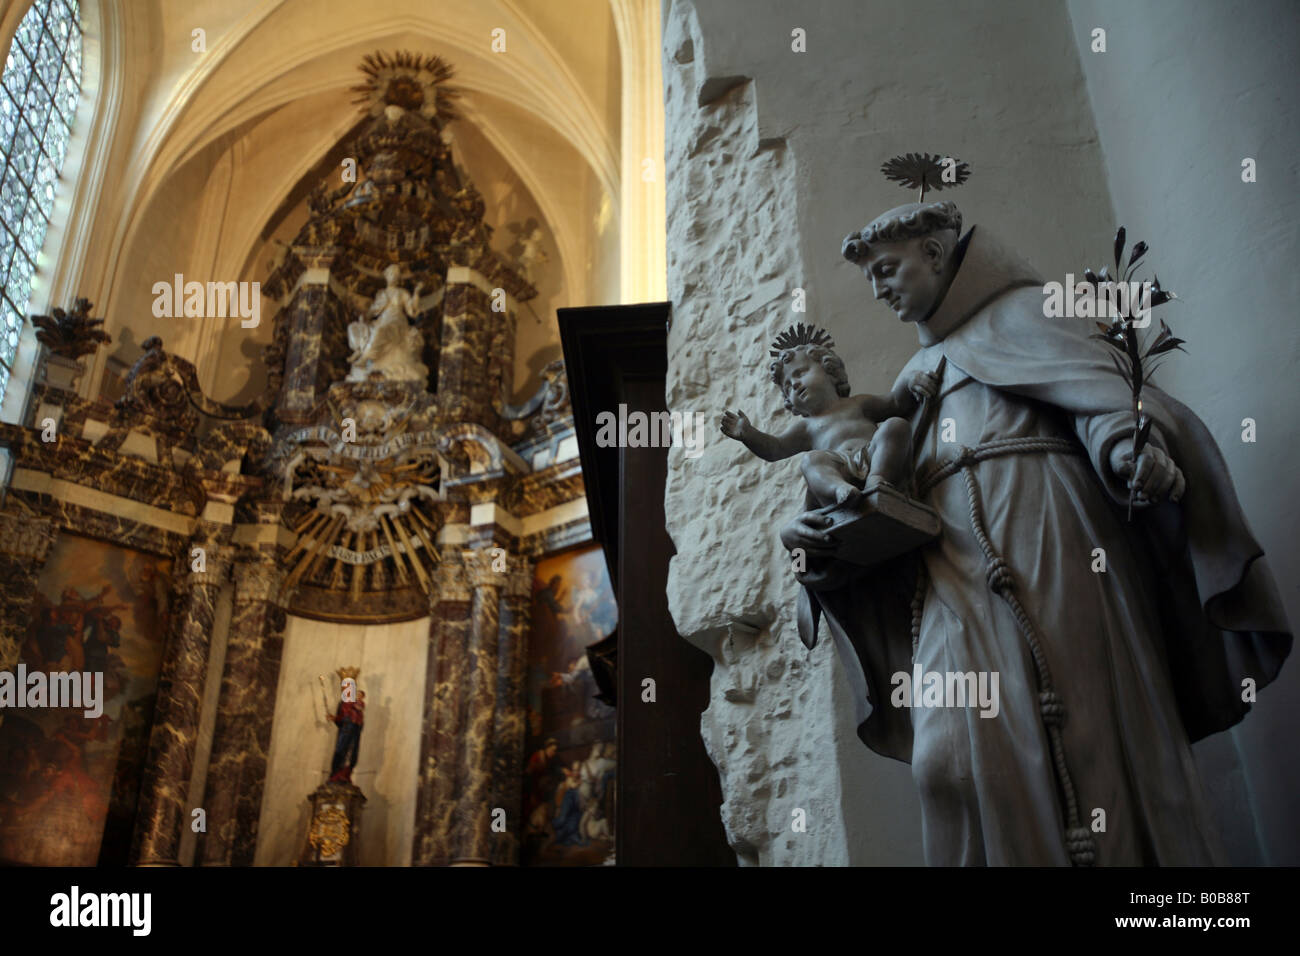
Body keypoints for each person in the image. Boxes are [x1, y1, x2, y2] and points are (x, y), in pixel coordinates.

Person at [779, 199, 1291, 865]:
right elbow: (878, 478)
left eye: (887, 269)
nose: (878, 290)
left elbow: (1098, 397)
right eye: (870, 278)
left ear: (934, 255)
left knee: (1088, 718)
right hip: (950, 566)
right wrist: (823, 529)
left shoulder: (1030, 314)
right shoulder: (912, 380)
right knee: (947, 758)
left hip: (1049, 528)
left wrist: (1129, 450)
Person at [721, 324, 937, 508]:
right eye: (787, 387)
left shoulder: (858, 403)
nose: (794, 384)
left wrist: (910, 380)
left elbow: (895, 402)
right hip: (839, 467)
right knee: (811, 461)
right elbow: (775, 448)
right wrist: (748, 434)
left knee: (895, 426)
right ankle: (839, 490)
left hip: (874, 455)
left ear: (830, 371)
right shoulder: (806, 427)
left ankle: (878, 481)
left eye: (800, 373)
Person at [326, 690, 365, 783]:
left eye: (360, 695)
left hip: (354, 732)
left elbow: (359, 713)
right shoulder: (345, 704)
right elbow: (341, 718)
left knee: (351, 754)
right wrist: (334, 718)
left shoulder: (359, 704)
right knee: (341, 751)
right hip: (346, 732)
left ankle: (345, 774)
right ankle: (336, 774)